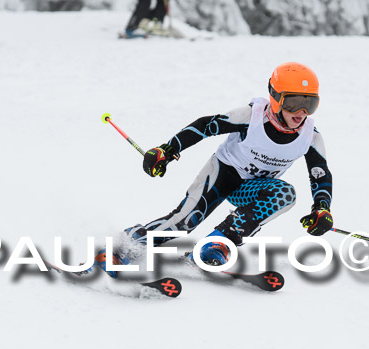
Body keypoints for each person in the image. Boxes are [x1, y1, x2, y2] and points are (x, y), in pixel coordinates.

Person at [97, 62, 334, 276]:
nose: (301, 113)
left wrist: (322, 208)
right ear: (275, 97)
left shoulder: (310, 137)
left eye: (309, 104)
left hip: (252, 188)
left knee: (285, 194)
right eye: (293, 102)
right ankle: (121, 247)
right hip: (223, 173)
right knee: (184, 222)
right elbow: (205, 126)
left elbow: (320, 173)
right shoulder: (251, 117)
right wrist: (167, 151)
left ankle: (216, 245)